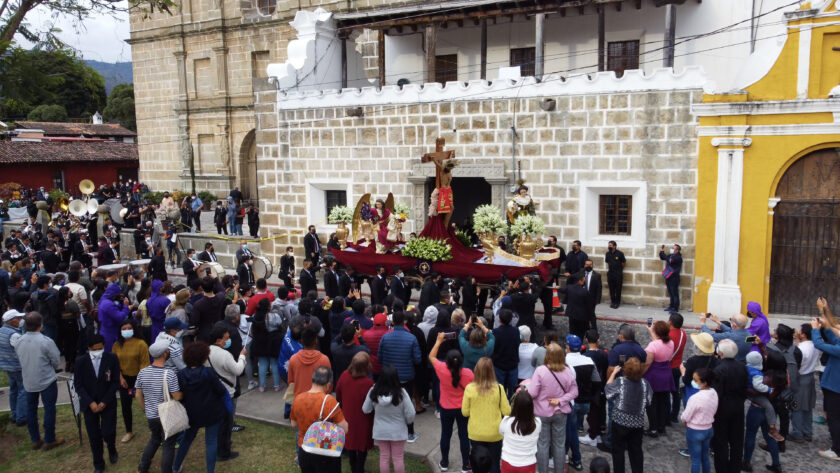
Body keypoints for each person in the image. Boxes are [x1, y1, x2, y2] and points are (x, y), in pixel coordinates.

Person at [172, 341, 229, 473]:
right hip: (212, 412)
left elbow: (180, 394)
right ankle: (210, 471)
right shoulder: (208, 372)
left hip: (192, 413)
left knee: (187, 439)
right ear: (203, 356)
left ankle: (176, 466)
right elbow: (220, 391)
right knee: (211, 442)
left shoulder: (181, 374)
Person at [15, 312, 64, 450]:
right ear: (40, 325)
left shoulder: (19, 340)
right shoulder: (46, 341)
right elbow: (55, 361)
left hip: (29, 380)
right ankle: (49, 439)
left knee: (31, 410)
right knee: (49, 409)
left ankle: (35, 439)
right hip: (46, 379)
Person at [527, 343, 578, 473]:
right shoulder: (568, 371)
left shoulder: (541, 371)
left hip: (541, 412)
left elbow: (532, 393)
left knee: (542, 444)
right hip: (560, 412)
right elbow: (574, 392)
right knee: (559, 444)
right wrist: (560, 400)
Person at [74, 334, 121, 473]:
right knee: (94, 436)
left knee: (108, 432)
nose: (98, 352)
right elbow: (78, 385)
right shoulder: (81, 362)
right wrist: (90, 402)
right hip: (90, 404)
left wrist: (105, 401)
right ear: (89, 348)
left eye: (100, 349)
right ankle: (98, 464)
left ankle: (111, 449)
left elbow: (115, 382)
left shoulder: (111, 358)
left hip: (107, 401)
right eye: (95, 350)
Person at [430, 332, 475, 472]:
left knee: (446, 435)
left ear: (446, 362)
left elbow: (431, 356)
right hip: (463, 409)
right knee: (464, 436)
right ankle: (466, 464)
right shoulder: (468, 373)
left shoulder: (442, 369)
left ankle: (444, 462)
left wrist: (438, 341)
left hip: (446, 408)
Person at [290, 366, 348, 473]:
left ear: (312, 380)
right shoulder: (330, 402)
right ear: (328, 384)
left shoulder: (298, 399)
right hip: (326, 451)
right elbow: (345, 429)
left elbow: (293, 424)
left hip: (304, 449)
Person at [377, 310, 422, 441]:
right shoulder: (411, 338)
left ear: (392, 322)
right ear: (404, 322)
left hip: (390, 377)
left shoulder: (385, 337)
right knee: (407, 406)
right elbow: (417, 359)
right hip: (406, 377)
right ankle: (410, 432)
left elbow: (380, 358)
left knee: (390, 405)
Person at [362, 363, 416, 473]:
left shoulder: (374, 391)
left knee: (384, 457)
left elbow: (365, 409)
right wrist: (408, 422)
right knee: (398, 458)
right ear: (396, 377)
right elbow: (411, 413)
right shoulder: (402, 393)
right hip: (398, 431)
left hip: (381, 431)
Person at [462, 357, 511, 473]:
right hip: (495, 433)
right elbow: (507, 411)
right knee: (494, 465)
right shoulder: (499, 388)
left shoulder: (469, 389)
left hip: (476, 434)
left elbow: (465, 412)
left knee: (478, 465)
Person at [605, 357, 651, 473]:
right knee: (636, 451)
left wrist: (613, 373)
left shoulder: (621, 382)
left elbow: (608, 392)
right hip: (637, 423)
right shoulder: (645, 384)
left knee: (618, 451)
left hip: (620, 422)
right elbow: (649, 401)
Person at [208, 324, 246, 461]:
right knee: (226, 424)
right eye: (226, 338)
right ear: (219, 340)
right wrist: (242, 357)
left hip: (214, 391)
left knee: (219, 423)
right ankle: (224, 452)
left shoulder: (207, 351)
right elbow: (238, 370)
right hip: (226, 392)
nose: (228, 340)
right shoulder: (225, 354)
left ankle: (219, 447)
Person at [710, 339, 749, 473]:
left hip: (722, 409)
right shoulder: (742, 367)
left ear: (720, 352)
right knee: (737, 441)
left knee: (721, 442)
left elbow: (716, 393)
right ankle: (735, 468)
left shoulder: (719, 369)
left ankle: (722, 469)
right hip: (738, 407)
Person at [741, 351, 783, 473]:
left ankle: (747, 462)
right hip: (769, 408)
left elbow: (756, 388)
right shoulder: (781, 375)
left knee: (750, 435)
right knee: (769, 436)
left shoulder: (757, 374)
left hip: (756, 408)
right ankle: (776, 463)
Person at [565, 334, 600, 471]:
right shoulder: (589, 361)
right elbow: (596, 380)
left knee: (570, 431)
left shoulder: (565, 361)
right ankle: (573, 458)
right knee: (573, 428)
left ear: (567, 346)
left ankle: (574, 458)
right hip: (586, 402)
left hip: (573, 401)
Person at [811, 300, 840, 461]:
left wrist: (815, 329)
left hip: (836, 387)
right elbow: (833, 334)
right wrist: (824, 312)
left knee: (833, 417)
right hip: (835, 386)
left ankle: (837, 450)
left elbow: (819, 344)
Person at [111, 319, 149, 443]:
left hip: (140, 378)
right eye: (123, 329)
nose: (126, 331)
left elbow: (145, 364)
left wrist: (139, 383)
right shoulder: (117, 345)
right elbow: (114, 364)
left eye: (129, 328)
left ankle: (156, 429)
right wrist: (120, 377)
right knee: (125, 406)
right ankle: (129, 431)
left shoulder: (141, 344)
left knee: (148, 404)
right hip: (124, 379)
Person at [337, 352, 375, 473]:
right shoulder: (368, 383)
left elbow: (338, 394)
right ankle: (359, 469)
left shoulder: (344, 375)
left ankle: (354, 467)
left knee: (351, 442)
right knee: (362, 444)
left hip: (348, 416)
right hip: (363, 419)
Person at [681, 367, 718, 473]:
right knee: (705, 457)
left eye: (695, 380)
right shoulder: (714, 392)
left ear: (705, 382)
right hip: (709, 429)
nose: (693, 382)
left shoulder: (695, 398)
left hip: (695, 431)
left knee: (695, 460)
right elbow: (714, 409)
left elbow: (685, 416)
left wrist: (684, 420)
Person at [642, 320, 674, 437]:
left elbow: (647, 363)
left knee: (651, 403)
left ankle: (653, 428)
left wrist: (640, 374)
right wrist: (652, 332)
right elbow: (659, 344)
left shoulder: (653, 345)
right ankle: (661, 426)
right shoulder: (671, 342)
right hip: (666, 372)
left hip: (654, 374)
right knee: (662, 402)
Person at [499, 390, 541, 473]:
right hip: (528, 464)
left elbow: (501, 433)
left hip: (508, 462)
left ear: (515, 406)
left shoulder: (506, 422)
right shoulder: (537, 423)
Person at [790, 323, 818, 443]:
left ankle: (797, 433)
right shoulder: (816, 346)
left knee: (796, 406)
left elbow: (798, 361)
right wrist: (797, 339)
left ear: (804, 334)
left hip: (800, 377)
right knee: (808, 406)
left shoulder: (801, 348)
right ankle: (808, 431)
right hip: (810, 376)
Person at [288, 326, 331, 398]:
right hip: (319, 401)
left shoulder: (293, 359)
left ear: (301, 341)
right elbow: (328, 385)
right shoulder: (324, 359)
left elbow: (291, 382)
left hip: (300, 401)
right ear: (316, 341)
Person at [0, 309, 27, 427]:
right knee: (23, 390)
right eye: (18, 318)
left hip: (7, 365)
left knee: (13, 390)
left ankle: (14, 414)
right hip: (17, 366)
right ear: (11, 321)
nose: (20, 321)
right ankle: (21, 417)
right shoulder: (14, 335)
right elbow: (21, 350)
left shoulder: (1, 331)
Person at [492, 308, 520, 397]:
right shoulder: (516, 331)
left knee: (499, 389)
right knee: (513, 390)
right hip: (512, 364)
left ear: (499, 319)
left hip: (499, 364)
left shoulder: (496, 332)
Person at [667, 312, 687, 424]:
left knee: (665, 392)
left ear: (670, 322)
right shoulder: (683, 333)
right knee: (675, 393)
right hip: (678, 366)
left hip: (669, 367)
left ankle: (666, 416)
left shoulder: (668, 335)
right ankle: (674, 415)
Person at [565, 274, 590, 339]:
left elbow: (562, 289)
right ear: (580, 281)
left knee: (572, 330)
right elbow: (588, 306)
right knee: (580, 333)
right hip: (581, 316)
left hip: (571, 313)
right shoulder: (584, 291)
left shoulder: (569, 288)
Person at [658, 244, 682, 312]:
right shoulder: (671, 255)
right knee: (670, 292)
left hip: (674, 278)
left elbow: (669, 260)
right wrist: (661, 251)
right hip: (669, 277)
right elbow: (663, 257)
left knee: (674, 293)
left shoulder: (678, 257)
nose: (671, 249)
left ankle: (675, 308)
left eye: (673, 248)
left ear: (677, 250)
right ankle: (671, 306)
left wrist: (664, 255)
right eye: (672, 248)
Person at [604, 241, 626, 309]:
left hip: (618, 274)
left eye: (610, 245)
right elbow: (607, 262)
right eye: (609, 245)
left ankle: (617, 303)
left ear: (614, 246)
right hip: (610, 274)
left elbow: (623, 263)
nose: (609, 246)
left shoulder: (620, 253)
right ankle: (613, 302)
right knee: (611, 289)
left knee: (618, 289)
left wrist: (619, 270)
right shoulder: (607, 254)